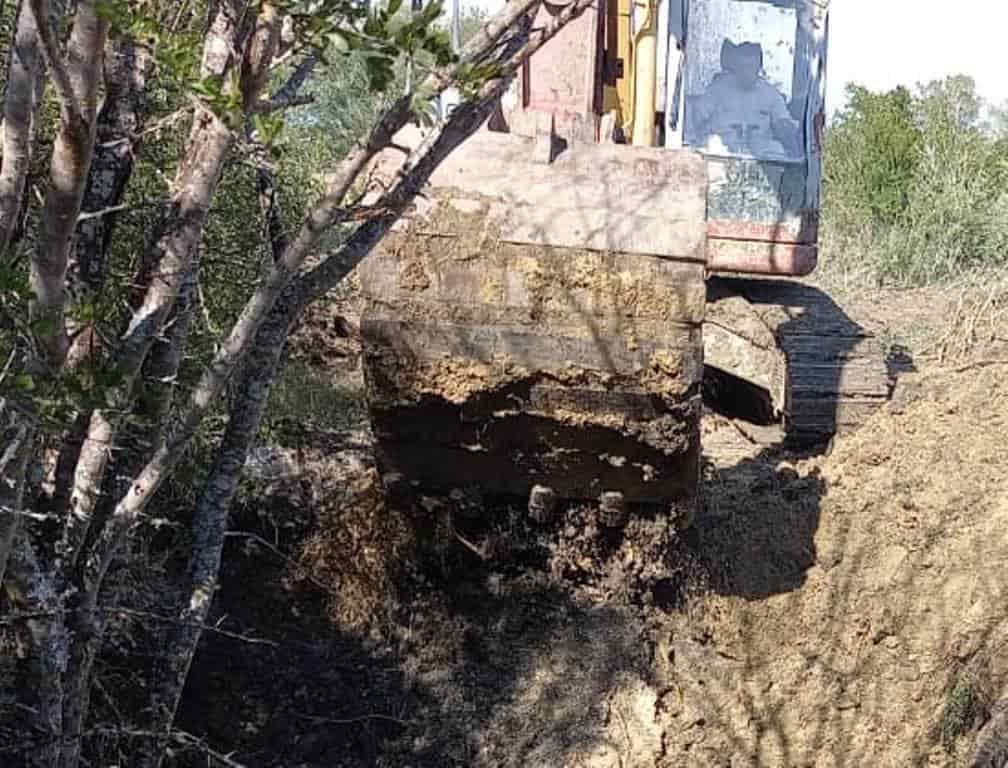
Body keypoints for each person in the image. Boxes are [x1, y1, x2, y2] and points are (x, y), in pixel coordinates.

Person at [691, 40, 799, 158]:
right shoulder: (717, 89)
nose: (747, 72)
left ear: (759, 67)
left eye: (751, 67)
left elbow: (783, 123)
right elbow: (697, 118)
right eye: (743, 67)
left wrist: (785, 129)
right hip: (720, 155)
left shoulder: (771, 94)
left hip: (762, 159)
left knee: (777, 149)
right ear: (735, 66)